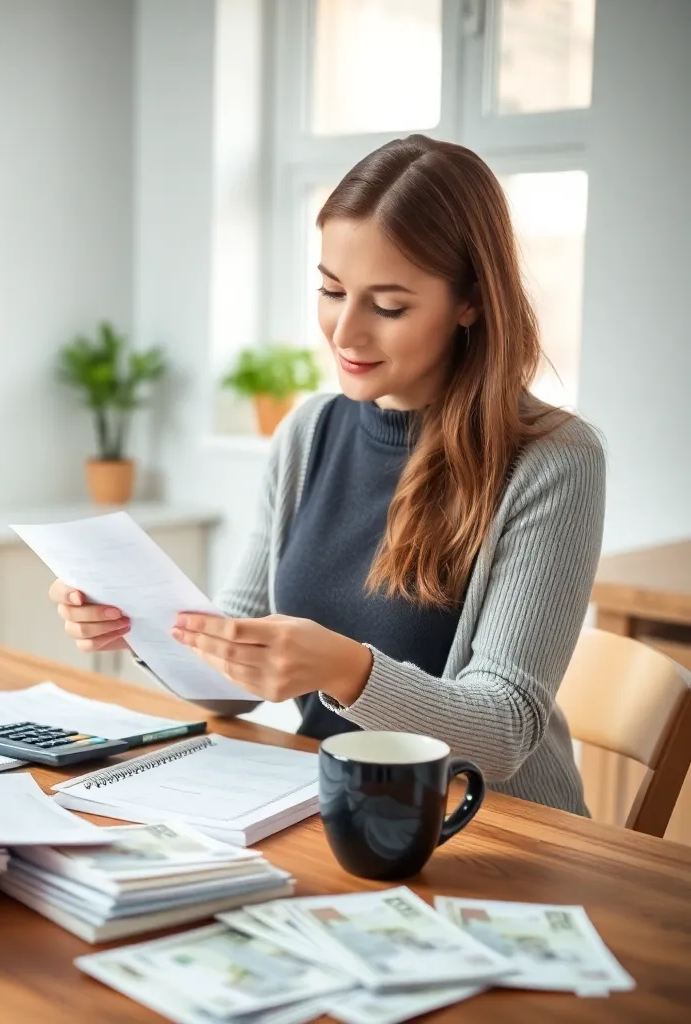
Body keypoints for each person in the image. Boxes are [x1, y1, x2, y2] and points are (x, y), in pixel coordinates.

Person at [47, 135, 605, 816]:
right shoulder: (308, 433)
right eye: (332, 290)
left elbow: (503, 731)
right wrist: (138, 621)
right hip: (333, 808)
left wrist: (347, 670)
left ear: (470, 302)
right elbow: (237, 678)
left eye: (389, 305)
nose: (345, 332)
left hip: (492, 829)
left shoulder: (554, 460)